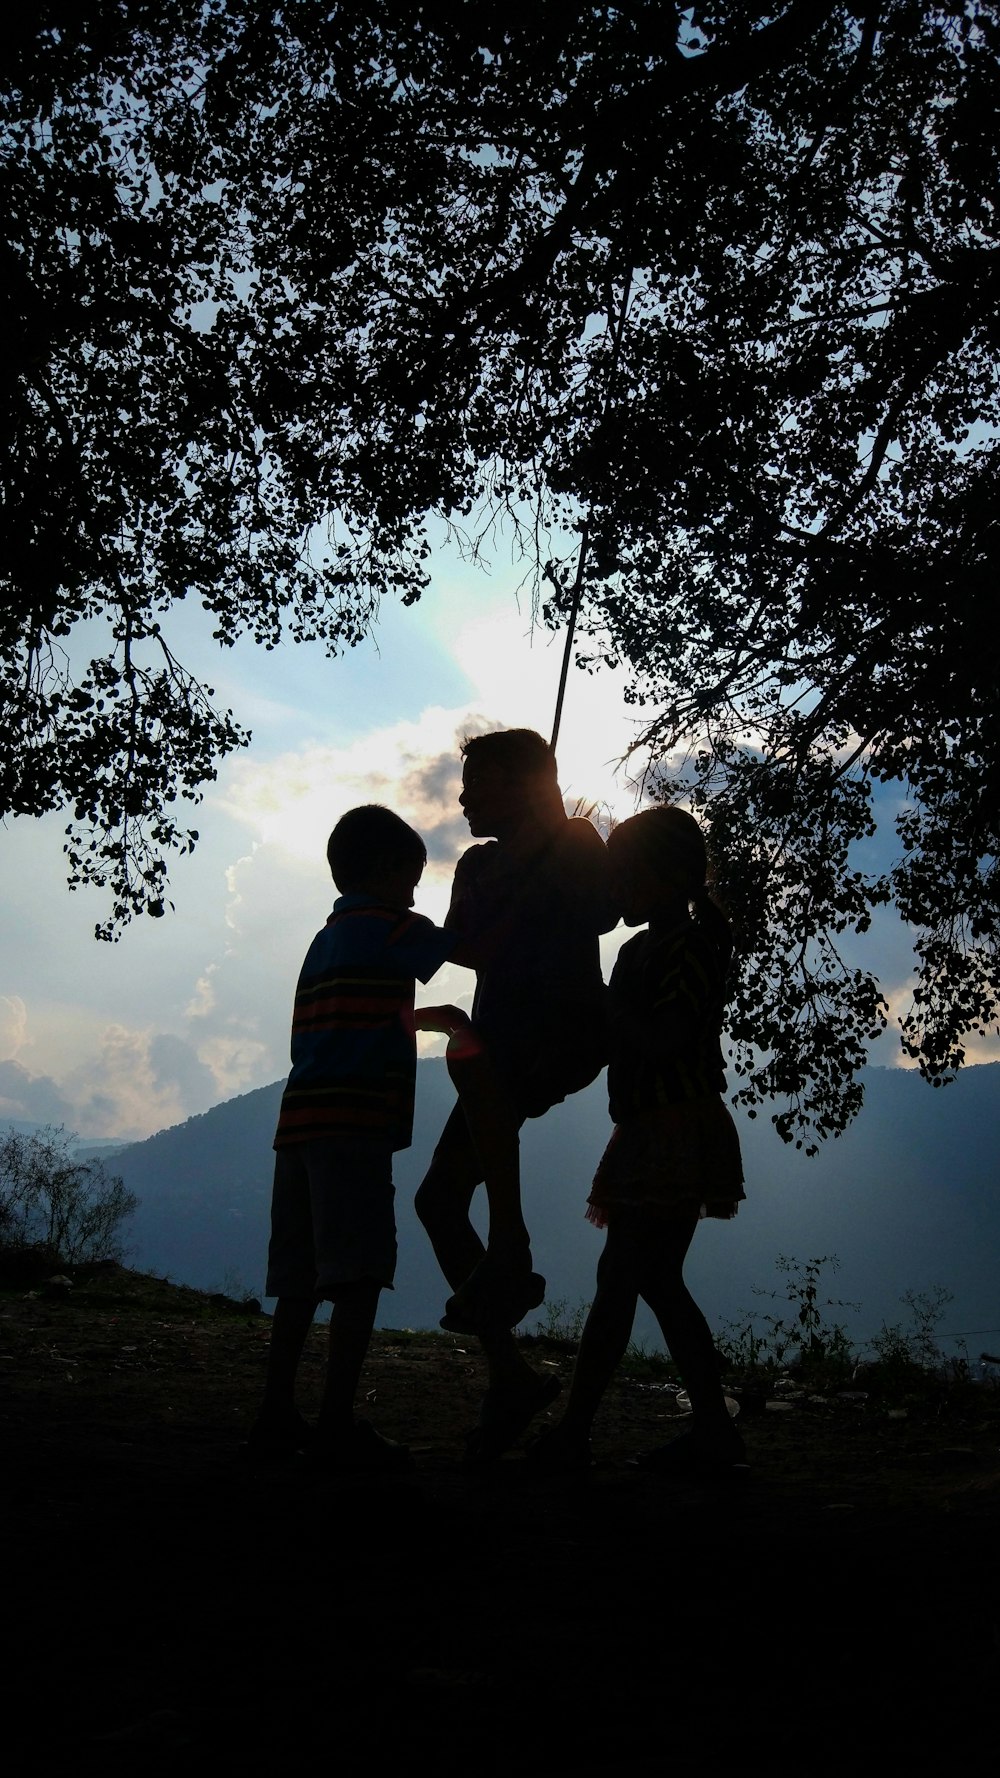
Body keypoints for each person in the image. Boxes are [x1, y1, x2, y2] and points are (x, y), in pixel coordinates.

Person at [530, 805, 748, 1476]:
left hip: (674, 1129)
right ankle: (707, 1428)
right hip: (650, 1128)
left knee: (630, 1276)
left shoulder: (688, 949)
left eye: (623, 876)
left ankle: (577, 1432)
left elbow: (667, 1037)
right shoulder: (640, 951)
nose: (614, 891)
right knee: (647, 1277)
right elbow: (616, 1038)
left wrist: (606, 1007)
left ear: (664, 877)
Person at [415, 727, 614, 1459]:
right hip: (501, 1041)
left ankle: (509, 1242)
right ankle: (511, 1371)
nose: (464, 797)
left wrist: (553, 837)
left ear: (525, 785)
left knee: (477, 1086)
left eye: (481, 782)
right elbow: (462, 948)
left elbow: (601, 912)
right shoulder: (477, 866)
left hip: (558, 1033)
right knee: (436, 1201)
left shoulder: (577, 842)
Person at [249, 804, 464, 1472]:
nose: (415, 893)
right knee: (359, 1273)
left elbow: (366, 1013)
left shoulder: (327, 939)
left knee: (299, 1279)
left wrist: (433, 1017)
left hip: (301, 1123)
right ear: (384, 872)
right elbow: (463, 944)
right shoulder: (394, 928)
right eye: (411, 878)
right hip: (355, 1125)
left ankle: (277, 1411)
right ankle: (337, 1419)